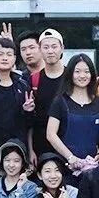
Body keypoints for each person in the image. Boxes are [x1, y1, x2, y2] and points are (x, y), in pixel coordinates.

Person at [47, 53, 99, 178]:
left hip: (94, 167)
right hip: (66, 167)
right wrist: (70, 157)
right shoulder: (60, 101)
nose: (82, 76)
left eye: (86, 71)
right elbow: (51, 134)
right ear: (70, 74)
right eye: (77, 71)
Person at [0, 38, 35, 156]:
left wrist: (28, 111)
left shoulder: (23, 86)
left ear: (14, 58)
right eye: (0, 54)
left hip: (19, 150)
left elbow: (29, 124)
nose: (5, 58)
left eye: (9, 54)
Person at [30, 29, 66, 161]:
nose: (50, 51)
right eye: (46, 47)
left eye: (54, 46)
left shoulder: (72, 77)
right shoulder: (33, 79)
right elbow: (30, 121)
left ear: (62, 48)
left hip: (68, 145)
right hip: (40, 147)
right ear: (40, 50)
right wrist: (30, 149)